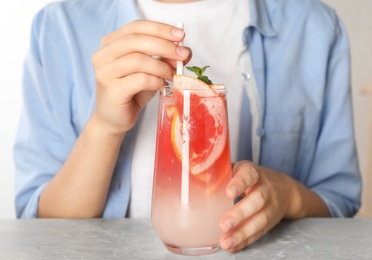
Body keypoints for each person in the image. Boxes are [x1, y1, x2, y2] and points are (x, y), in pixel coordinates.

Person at [14, 0, 361, 253]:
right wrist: (104, 126)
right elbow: (43, 223)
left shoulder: (315, 27)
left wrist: (289, 197)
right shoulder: (58, 27)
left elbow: (339, 200)